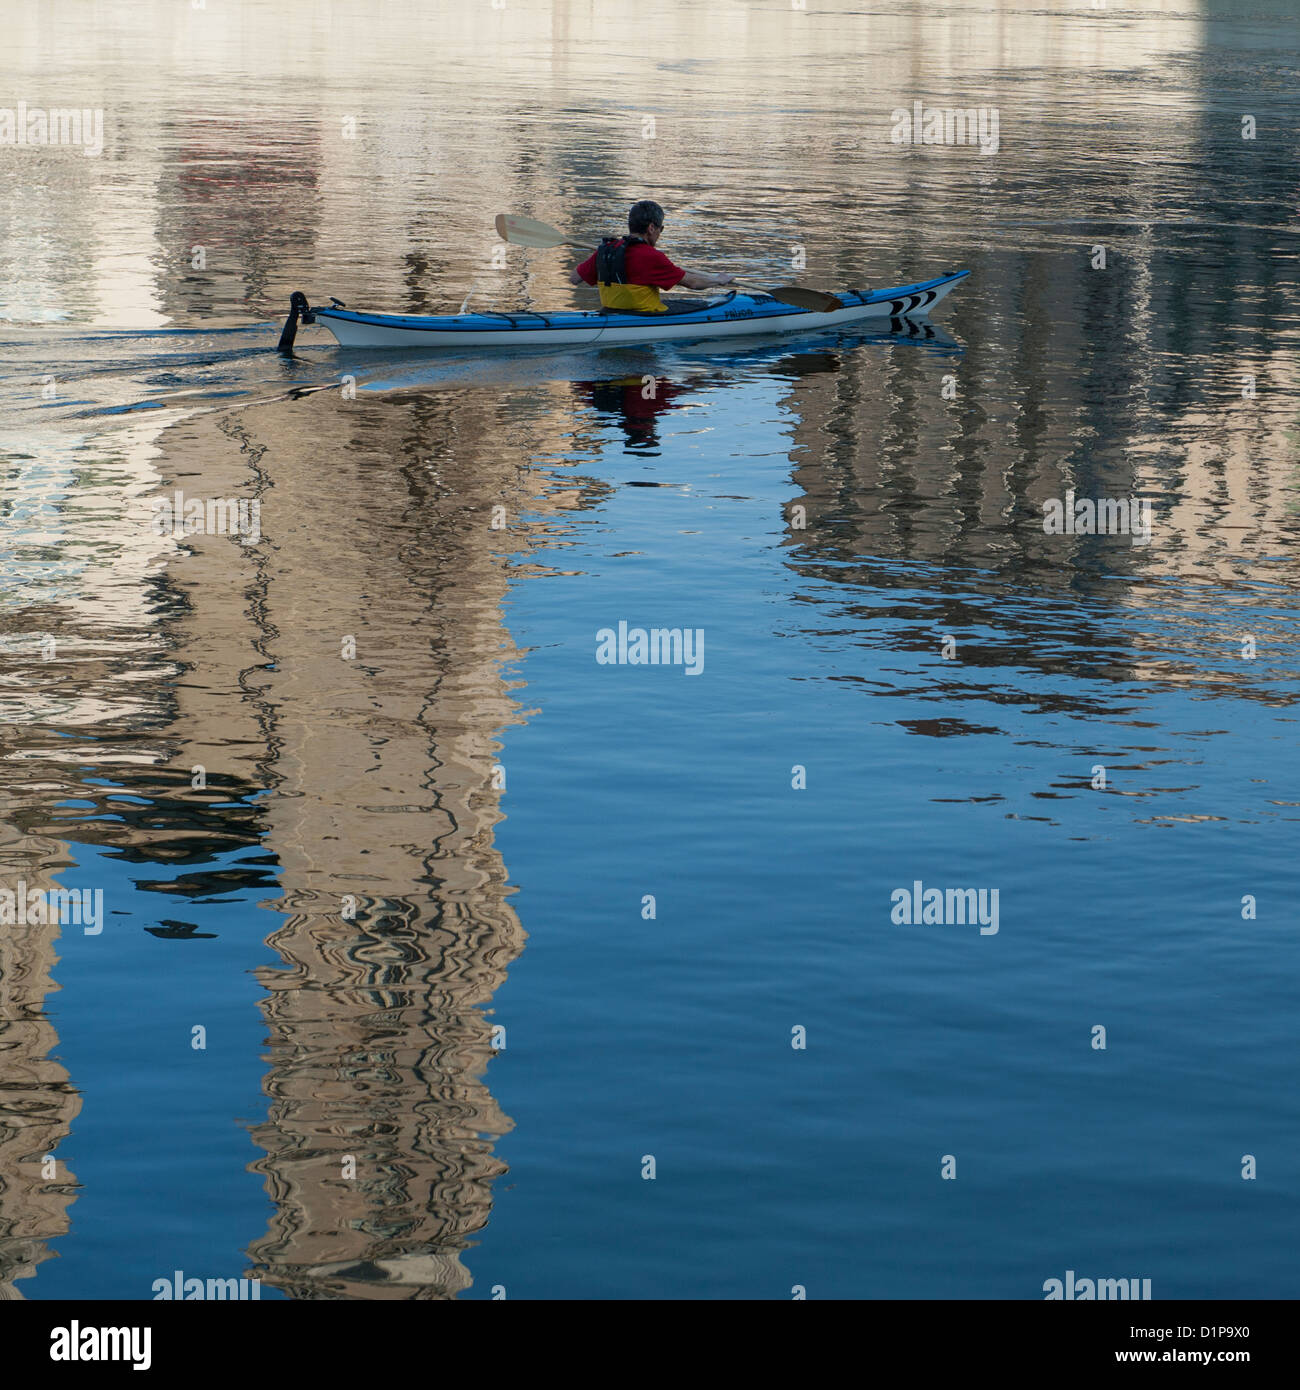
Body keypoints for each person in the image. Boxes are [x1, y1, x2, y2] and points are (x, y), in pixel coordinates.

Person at [569, 200, 735, 313]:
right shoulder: (651, 257)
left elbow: (575, 278)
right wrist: (718, 279)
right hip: (644, 317)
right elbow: (692, 283)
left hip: (610, 313)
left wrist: (598, 257)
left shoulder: (607, 250)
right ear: (651, 228)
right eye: (660, 229)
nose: (659, 234)